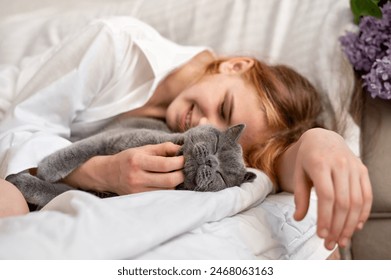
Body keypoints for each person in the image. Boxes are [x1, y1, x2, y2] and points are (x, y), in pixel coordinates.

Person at [0, 17, 372, 252]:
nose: (200, 127)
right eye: (224, 108)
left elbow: (275, 169)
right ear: (236, 65)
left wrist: (322, 141)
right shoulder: (116, 47)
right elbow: (17, 128)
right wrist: (100, 171)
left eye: (218, 131)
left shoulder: (181, 138)